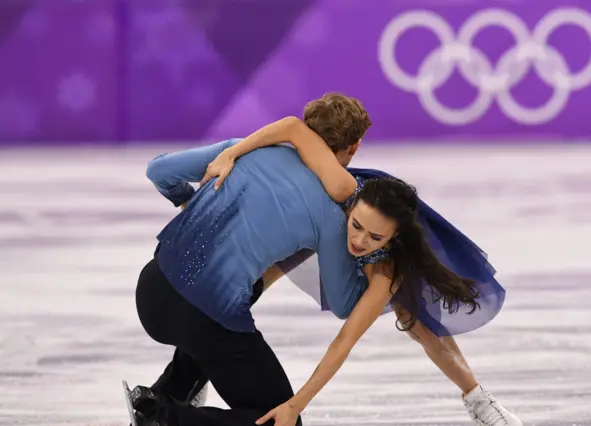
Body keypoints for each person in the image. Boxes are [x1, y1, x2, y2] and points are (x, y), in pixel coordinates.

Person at [199, 106, 522, 426]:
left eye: (375, 236)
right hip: (320, 224)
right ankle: (192, 375)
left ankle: (478, 399)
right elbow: (289, 128)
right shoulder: (337, 189)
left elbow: (345, 340)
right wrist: (232, 154)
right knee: (245, 285)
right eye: (357, 227)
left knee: (417, 320)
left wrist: (296, 405)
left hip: (376, 237)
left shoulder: (387, 267)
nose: (359, 241)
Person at [128, 94, 374, 426]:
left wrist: (187, 203)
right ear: (354, 147)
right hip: (204, 320)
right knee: (280, 422)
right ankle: (162, 417)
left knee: (239, 291)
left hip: (152, 292)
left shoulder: (243, 149)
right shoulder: (331, 216)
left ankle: (168, 391)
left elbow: (159, 170)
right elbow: (344, 303)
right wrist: (379, 266)